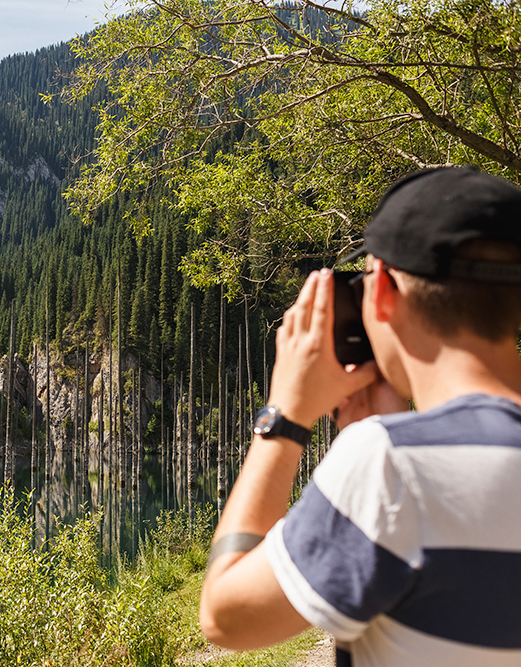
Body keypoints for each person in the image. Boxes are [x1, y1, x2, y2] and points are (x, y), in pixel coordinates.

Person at [198, 165, 521, 666]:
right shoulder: (393, 457)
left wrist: (284, 418)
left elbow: (225, 616)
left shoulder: (392, 467)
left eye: (365, 278)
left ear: (386, 291)